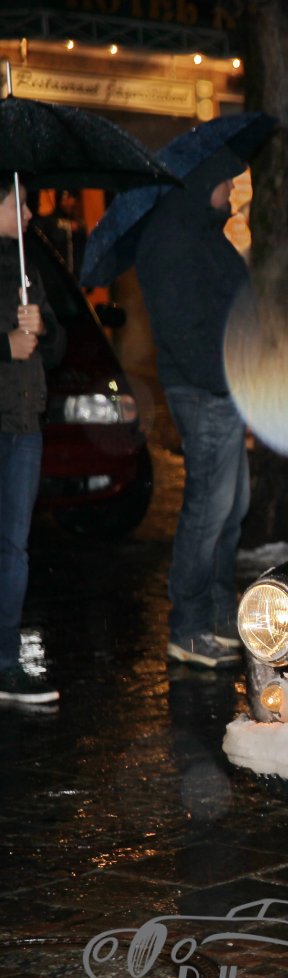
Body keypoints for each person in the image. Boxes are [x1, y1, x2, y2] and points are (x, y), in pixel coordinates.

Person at [135, 149, 254, 669]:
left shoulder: (204, 235)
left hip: (224, 388)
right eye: (226, 181)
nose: (232, 191)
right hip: (207, 391)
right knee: (208, 510)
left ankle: (218, 616)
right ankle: (188, 627)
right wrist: (223, 379)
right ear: (203, 182)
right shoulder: (173, 239)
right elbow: (183, 328)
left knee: (231, 508)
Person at [1, 181, 65, 703]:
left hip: (24, 425)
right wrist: (6, 345)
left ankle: (5, 664)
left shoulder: (27, 269)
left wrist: (42, 329)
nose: (28, 214)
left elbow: (60, 346)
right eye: (17, 204)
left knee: (14, 549)